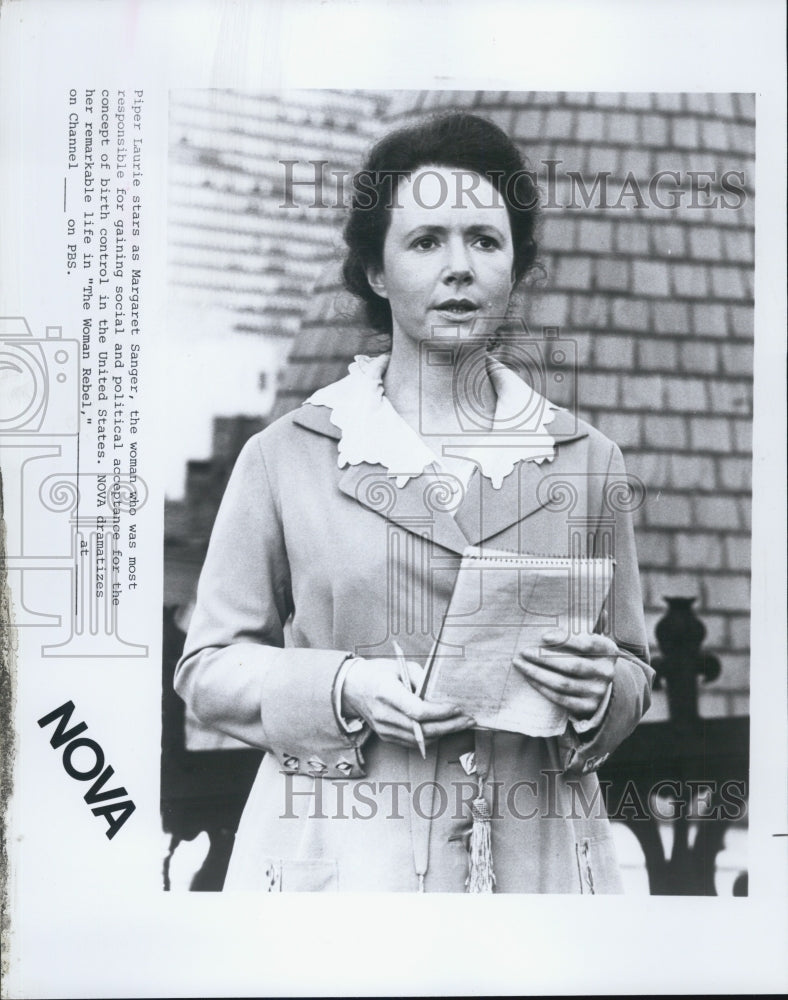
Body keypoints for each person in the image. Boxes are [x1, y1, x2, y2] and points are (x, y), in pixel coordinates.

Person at [174, 111, 654, 893]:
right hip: (342, 873)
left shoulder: (589, 461)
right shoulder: (286, 456)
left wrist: (605, 691)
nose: (458, 268)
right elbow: (208, 667)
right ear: (374, 271)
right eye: (426, 241)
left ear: (516, 266)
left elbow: (630, 665)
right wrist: (341, 687)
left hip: (538, 874)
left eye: (485, 240)